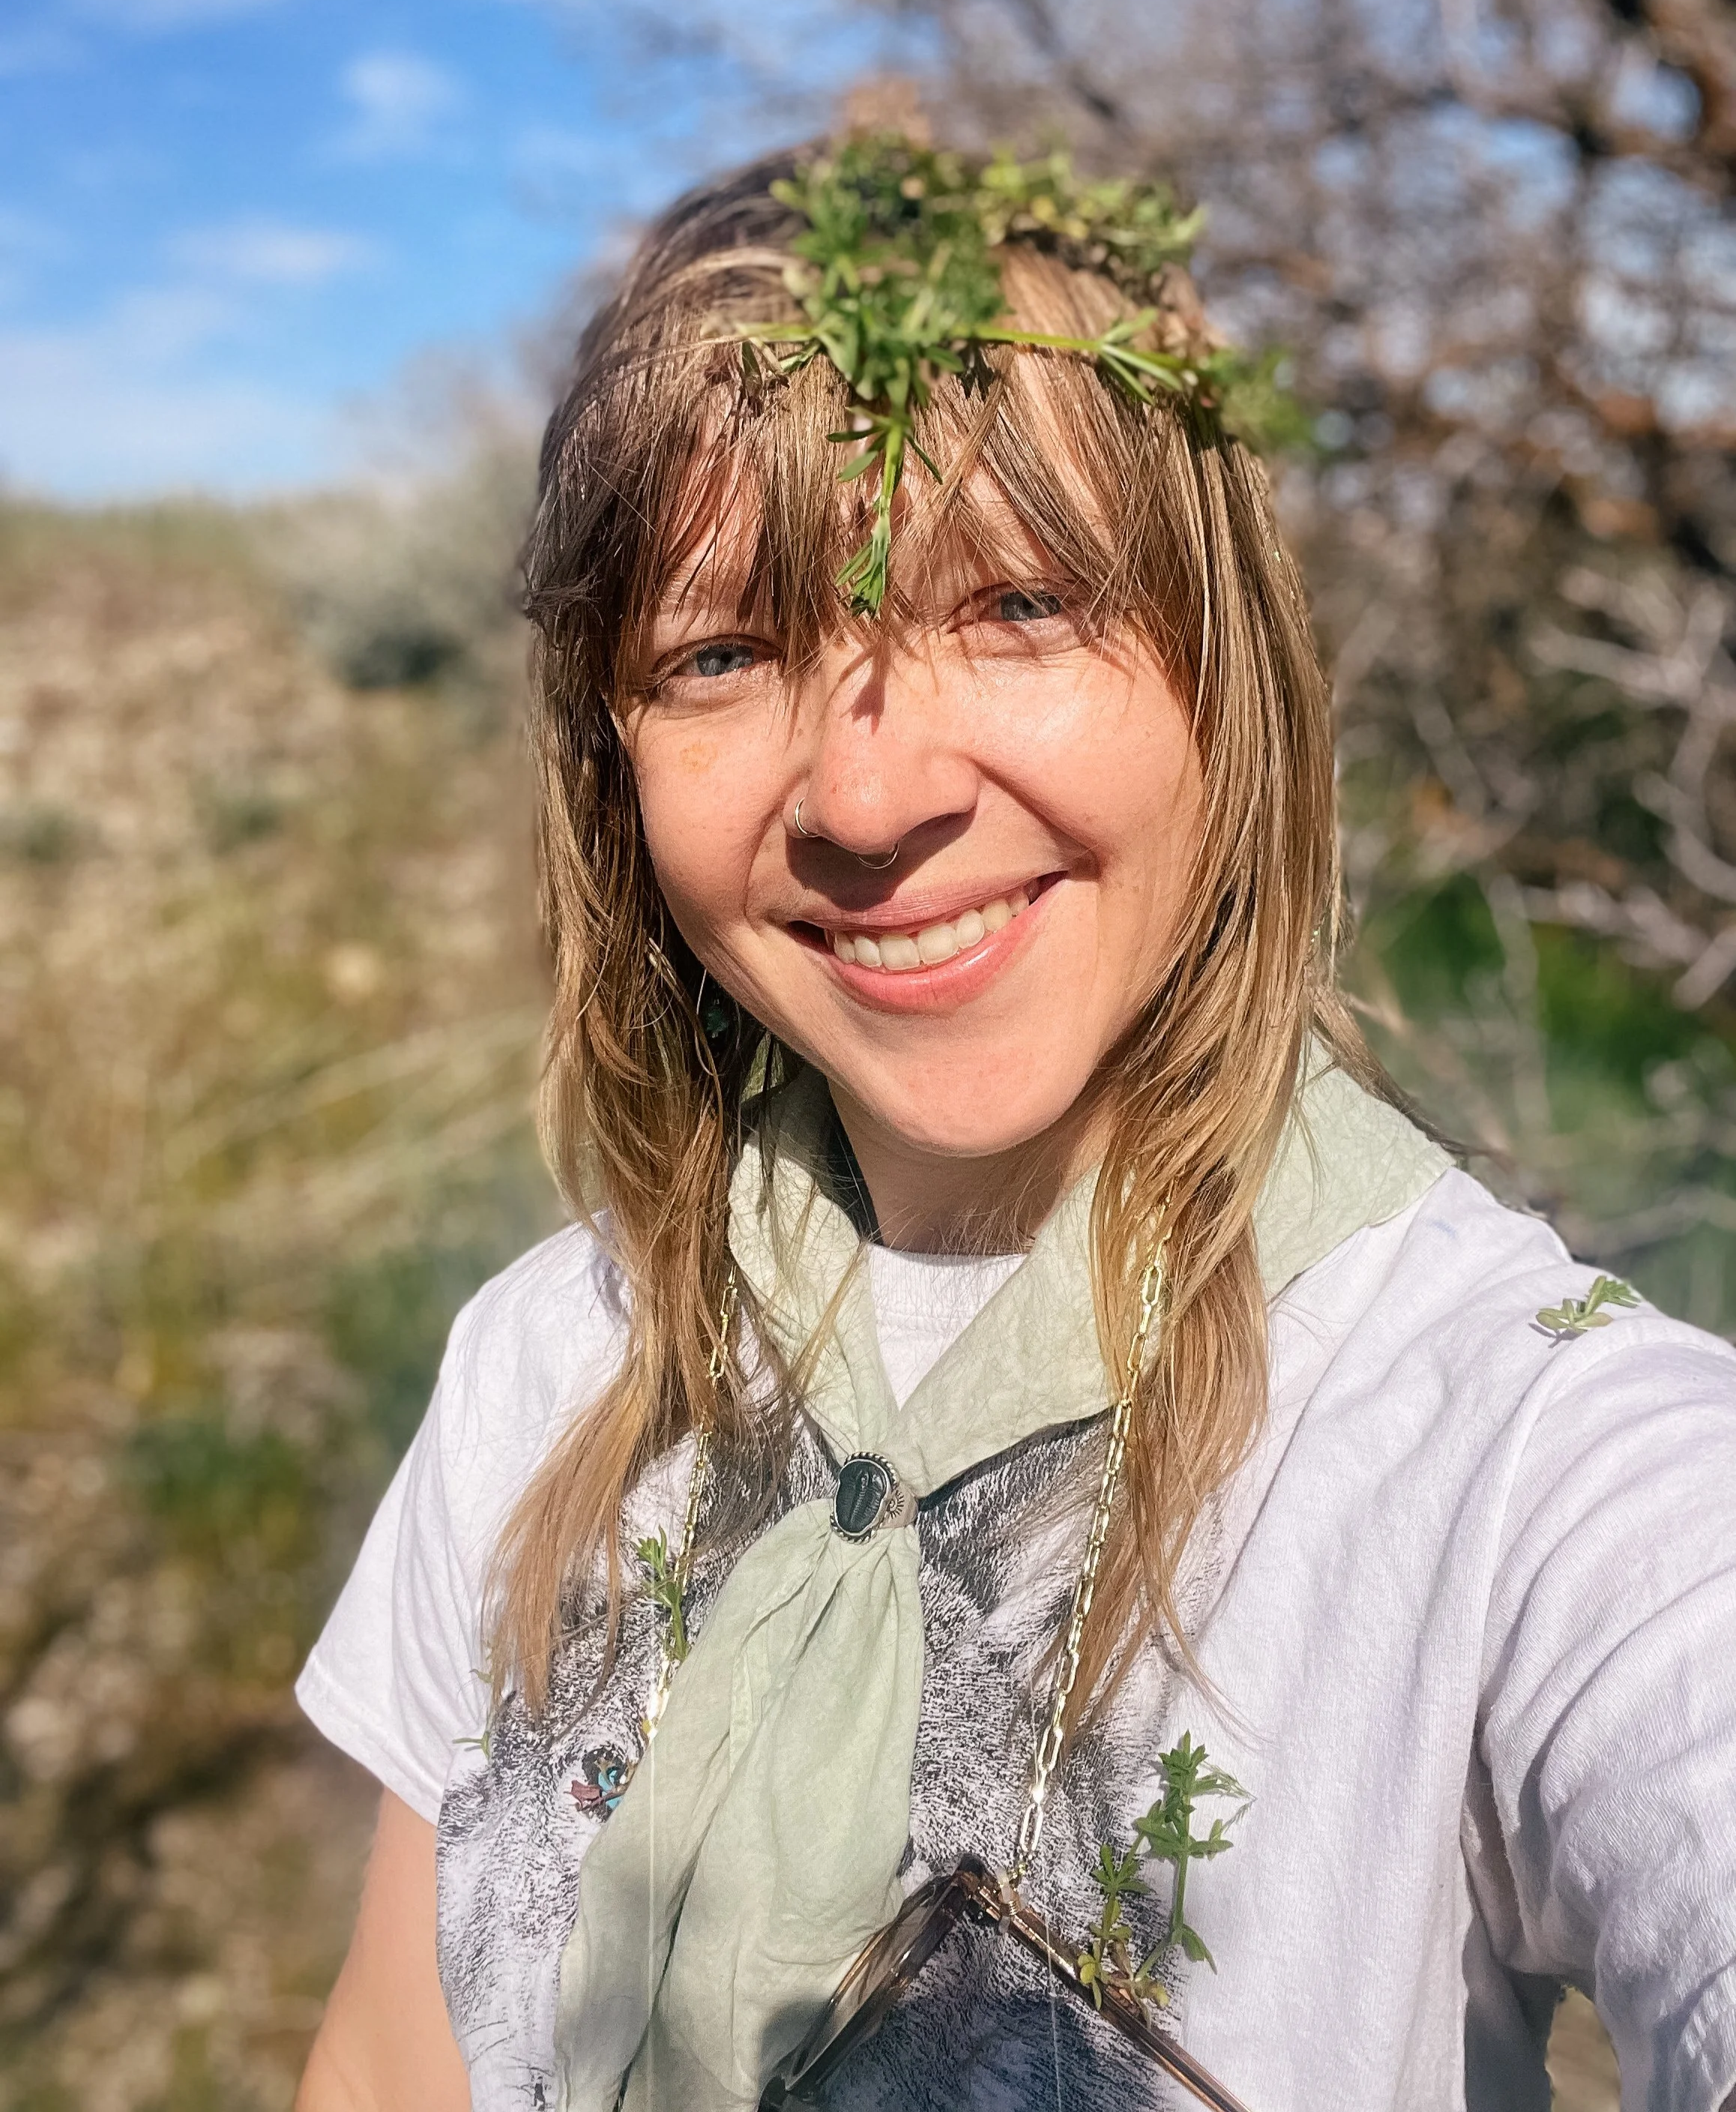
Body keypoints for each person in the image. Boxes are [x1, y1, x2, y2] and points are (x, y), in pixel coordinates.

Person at [292, 134, 1736, 2112]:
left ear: (1222, 671)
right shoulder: (552, 1358)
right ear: (607, 763)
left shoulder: (1521, 1454)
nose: (869, 798)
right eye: (720, 651)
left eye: (1016, 600)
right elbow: (392, 2062)